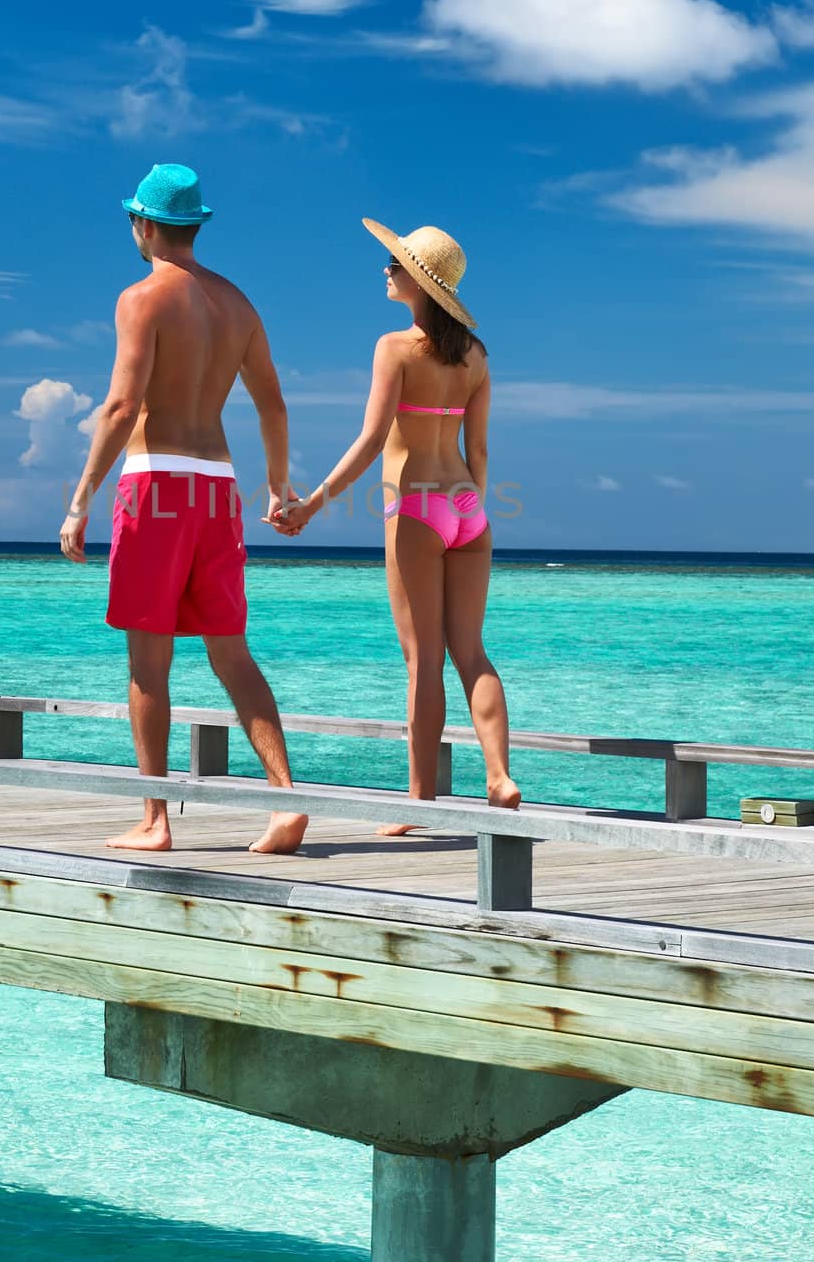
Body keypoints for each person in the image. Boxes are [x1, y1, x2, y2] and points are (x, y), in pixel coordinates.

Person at [59, 162, 308, 856]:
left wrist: (80, 500)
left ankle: (156, 818)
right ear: (194, 224)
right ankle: (286, 801)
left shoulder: (142, 298)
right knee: (231, 651)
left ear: (142, 225)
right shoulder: (238, 304)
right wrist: (276, 488)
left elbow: (120, 405)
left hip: (157, 482)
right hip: (217, 487)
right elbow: (273, 404)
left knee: (149, 658)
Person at [273, 218, 519, 833]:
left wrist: (312, 505)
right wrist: (472, 507)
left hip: (415, 507)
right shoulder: (477, 357)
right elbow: (481, 450)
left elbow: (370, 440)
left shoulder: (394, 348)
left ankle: (418, 804)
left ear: (418, 282)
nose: (385, 270)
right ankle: (498, 776)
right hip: (467, 507)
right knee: (471, 652)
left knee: (421, 662)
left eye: (395, 264)